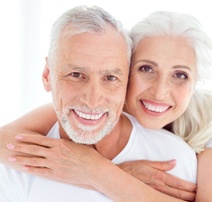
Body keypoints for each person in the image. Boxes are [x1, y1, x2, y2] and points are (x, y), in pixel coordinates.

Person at [0, 6, 198, 202]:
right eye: (76, 75)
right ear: (47, 75)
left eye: (110, 78)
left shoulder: (174, 161)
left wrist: (102, 173)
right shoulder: (15, 169)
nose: (92, 101)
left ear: (126, 82)